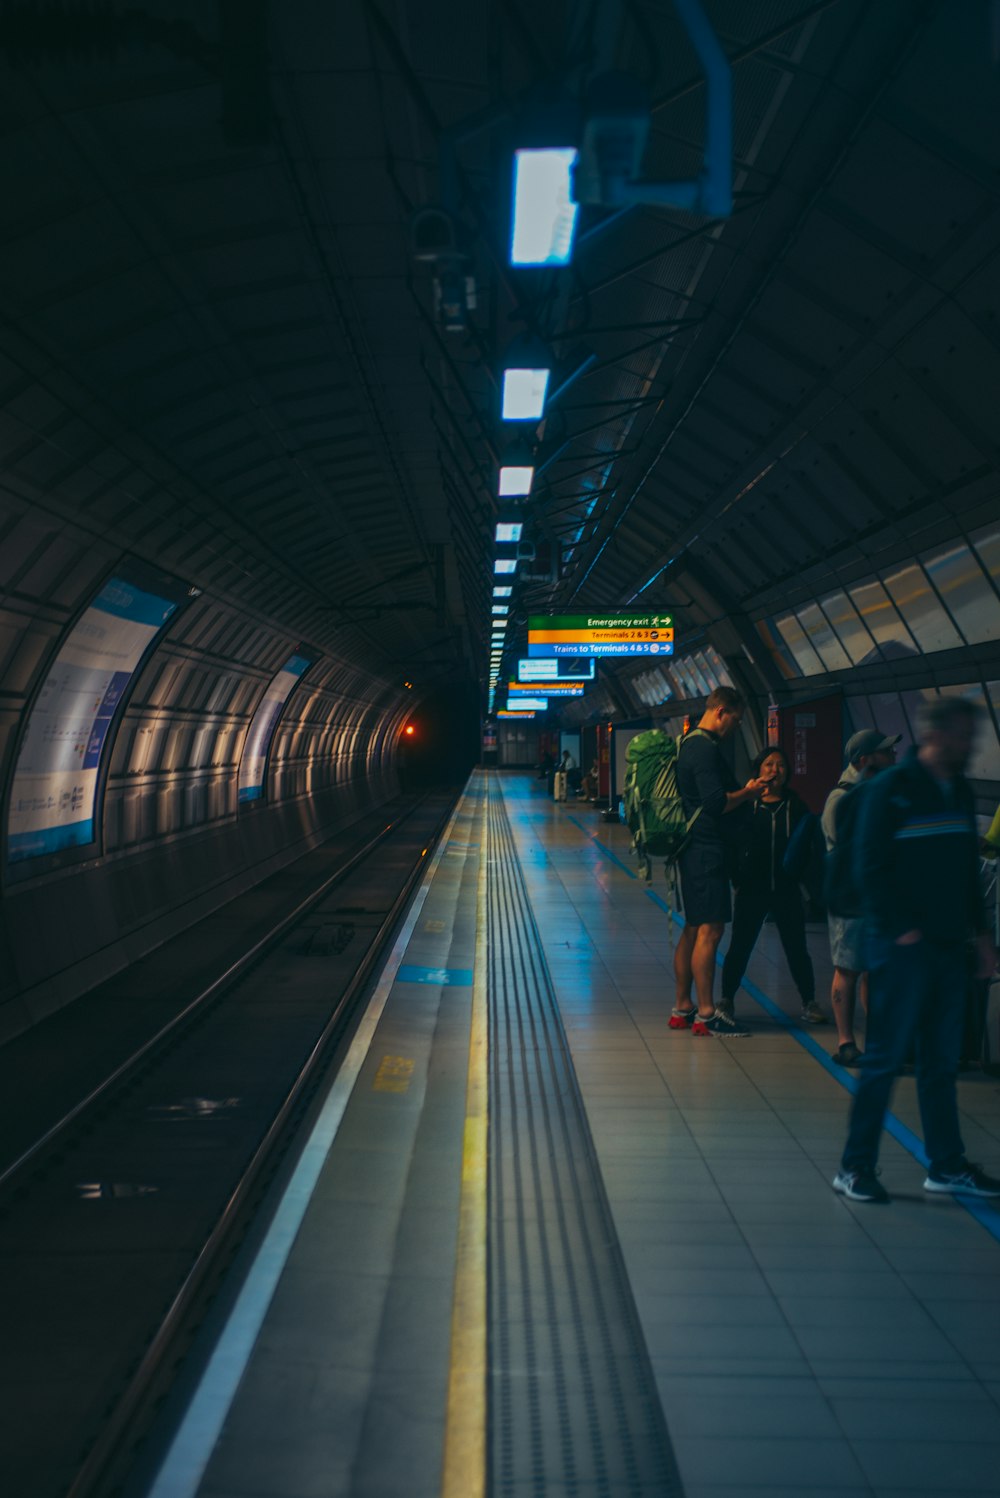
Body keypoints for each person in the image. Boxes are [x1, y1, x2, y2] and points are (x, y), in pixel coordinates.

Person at [833, 697, 1000, 1203]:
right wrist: (900, 929)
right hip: (903, 951)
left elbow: (966, 871)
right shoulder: (891, 790)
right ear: (936, 735)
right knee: (884, 1061)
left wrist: (982, 935)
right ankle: (854, 1166)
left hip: (950, 948)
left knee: (939, 1063)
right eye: (963, 735)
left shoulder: (957, 790)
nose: (971, 745)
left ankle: (946, 1164)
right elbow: (869, 866)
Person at [669, 686, 771, 1037]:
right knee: (710, 930)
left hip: (694, 849)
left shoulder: (689, 743)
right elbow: (715, 803)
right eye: (737, 720)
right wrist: (749, 792)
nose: (736, 727)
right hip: (706, 850)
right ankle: (707, 1013)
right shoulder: (703, 748)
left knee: (694, 927)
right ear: (721, 711)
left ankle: (684, 1007)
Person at [720, 746, 822, 1025]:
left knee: (797, 948)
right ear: (758, 769)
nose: (774, 770)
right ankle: (727, 998)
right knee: (740, 946)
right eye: (768, 764)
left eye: (780, 765)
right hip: (751, 889)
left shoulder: (795, 806)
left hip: (786, 890)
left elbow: (807, 847)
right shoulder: (746, 805)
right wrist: (736, 878)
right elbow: (732, 844)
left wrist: (802, 880)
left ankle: (809, 1000)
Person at [821, 728, 899, 1066]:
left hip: (873, 896)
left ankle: (877, 1039)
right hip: (849, 898)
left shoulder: (878, 791)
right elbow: (848, 850)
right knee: (848, 968)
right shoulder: (842, 797)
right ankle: (845, 1041)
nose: (893, 755)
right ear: (864, 759)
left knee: (872, 970)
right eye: (885, 751)